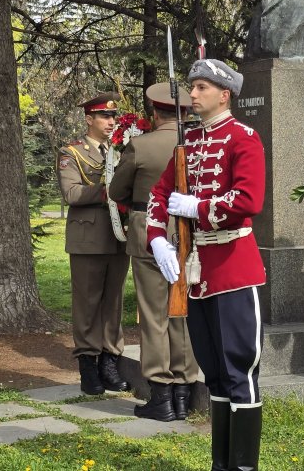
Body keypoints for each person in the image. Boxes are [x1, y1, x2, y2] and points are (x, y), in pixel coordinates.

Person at [146, 61, 266, 470]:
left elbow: (249, 201)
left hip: (233, 268)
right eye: (192, 87)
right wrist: (158, 239)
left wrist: (198, 207)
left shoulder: (244, 139)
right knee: (213, 374)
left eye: (200, 88)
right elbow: (159, 194)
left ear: (223, 94)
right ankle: (221, 464)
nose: (192, 95)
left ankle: (244, 466)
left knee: (240, 373)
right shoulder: (189, 142)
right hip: (196, 274)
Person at [108, 83, 199, 422]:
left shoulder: (141, 146)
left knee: (154, 315)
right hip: (189, 232)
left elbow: (117, 190)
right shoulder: (198, 144)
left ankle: (162, 394)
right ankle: (184, 389)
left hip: (151, 231)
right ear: (186, 112)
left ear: (153, 113)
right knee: (183, 312)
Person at [57, 92, 130, 395]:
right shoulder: (71, 152)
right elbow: (71, 194)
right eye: (104, 116)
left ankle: (110, 361)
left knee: (113, 302)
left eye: (113, 116)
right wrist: (107, 190)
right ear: (89, 119)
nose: (111, 122)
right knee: (87, 304)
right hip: (88, 238)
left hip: (118, 238)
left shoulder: (125, 149)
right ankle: (88, 364)